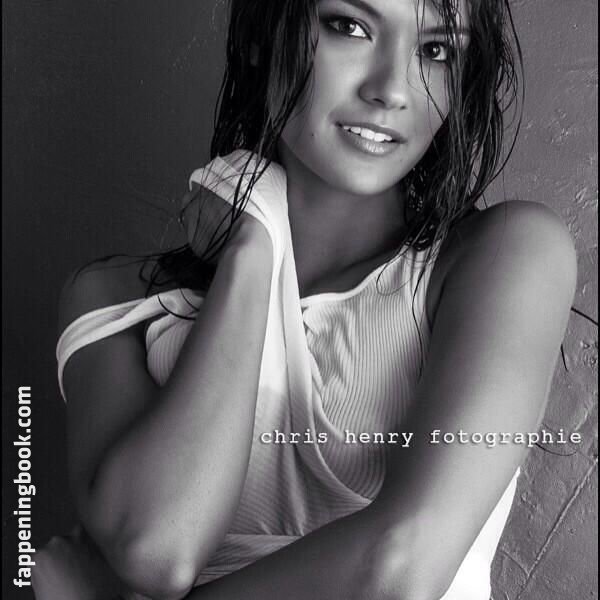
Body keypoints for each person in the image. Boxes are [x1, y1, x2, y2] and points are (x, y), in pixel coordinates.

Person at [32, 0, 577, 599]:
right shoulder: (117, 301)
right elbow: (159, 551)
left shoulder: (504, 257)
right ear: (263, 36)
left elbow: (399, 567)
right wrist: (252, 247)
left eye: (436, 50)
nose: (392, 89)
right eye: (350, 26)